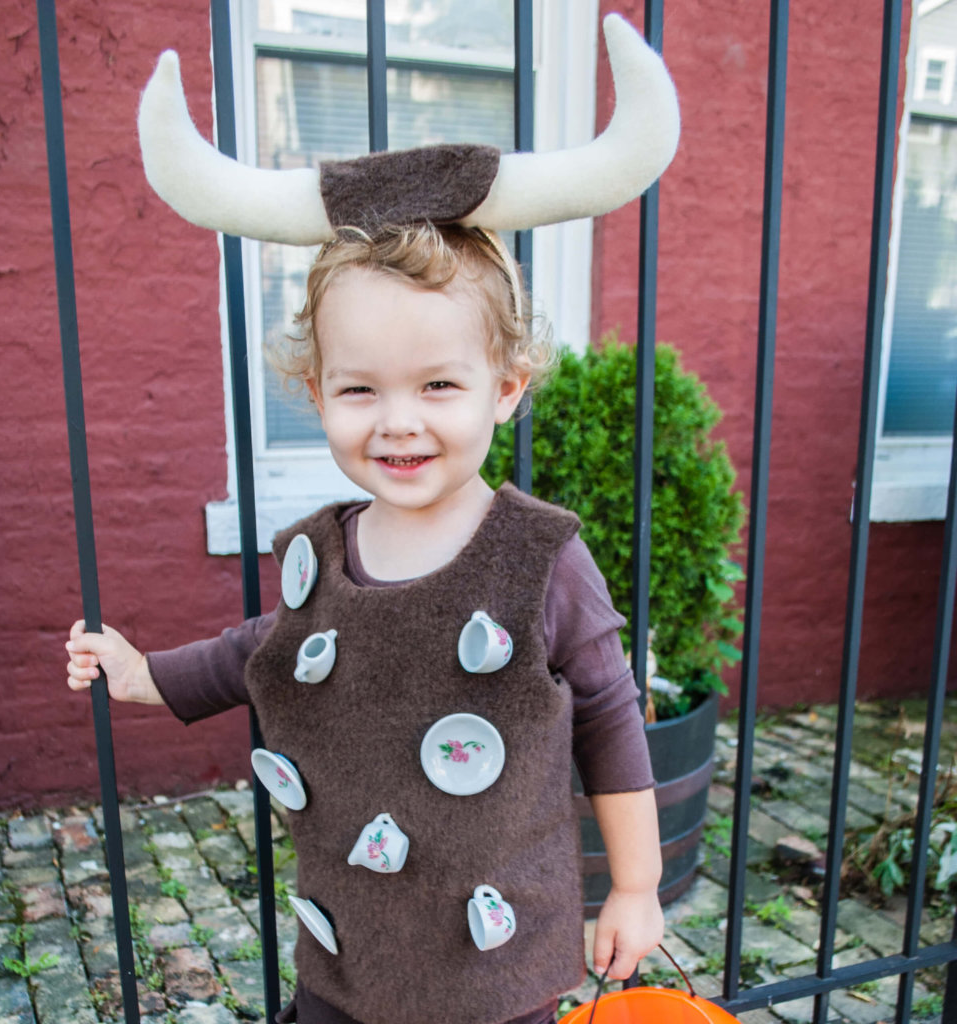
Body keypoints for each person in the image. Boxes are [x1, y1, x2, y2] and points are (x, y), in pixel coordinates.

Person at [68, 14, 680, 1023]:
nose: (399, 423)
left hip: (497, 972)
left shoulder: (540, 562)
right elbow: (272, 646)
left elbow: (611, 716)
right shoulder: (323, 549)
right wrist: (147, 676)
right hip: (345, 954)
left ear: (507, 387)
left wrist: (635, 885)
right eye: (361, 390)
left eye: (439, 383)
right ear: (315, 390)